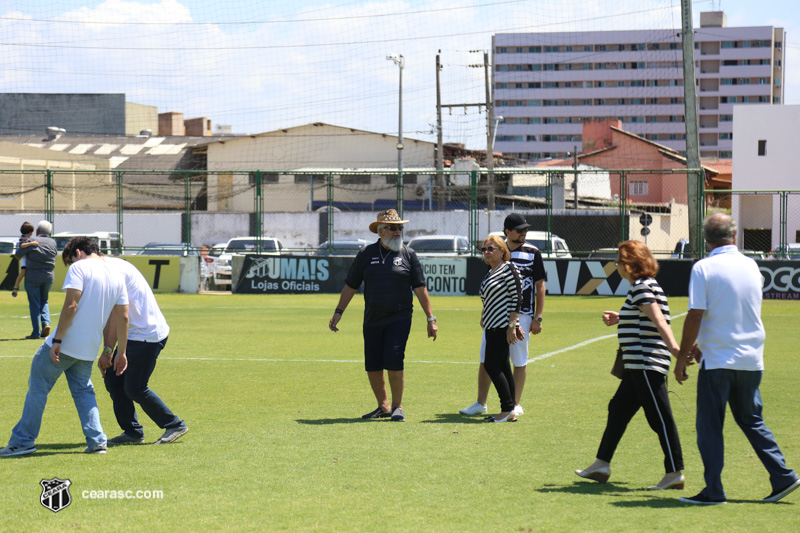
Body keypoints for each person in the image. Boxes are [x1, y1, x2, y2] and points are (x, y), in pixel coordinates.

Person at [676, 213, 800, 505]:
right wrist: (701, 345)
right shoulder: (752, 266)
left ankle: (714, 490)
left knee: (709, 426)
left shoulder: (703, 267)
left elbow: (696, 315)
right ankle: (782, 475)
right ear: (734, 236)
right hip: (751, 359)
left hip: (719, 361)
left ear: (705, 239)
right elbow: (735, 312)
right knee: (752, 420)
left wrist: (682, 355)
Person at [0, 237, 129, 457]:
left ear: (77, 253)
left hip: (65, 344)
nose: (70, 265)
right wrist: (120, 351)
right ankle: (97, 441)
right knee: (84, 392)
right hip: (88, 348)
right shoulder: (117, 275)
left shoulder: (80, 268)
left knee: (38, 390)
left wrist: (57, 340)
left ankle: (23, 442)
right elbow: (124, 317)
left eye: (69, 260)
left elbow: (71, 305)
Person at [575, 240, 684, 490]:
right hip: (638, 367)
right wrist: (621, 316)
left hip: (646, 364)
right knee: (618, 409)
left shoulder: (641, 288)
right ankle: (601, 464)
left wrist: (677, 350)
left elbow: (658, 320)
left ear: (628, 264)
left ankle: (674, 472)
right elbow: (646, 315)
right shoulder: (647, 287)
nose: (617, 266)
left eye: (618, 261)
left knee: (660, 418)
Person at [328, 209, 438, 422]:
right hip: (372, 319)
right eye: (392, 228)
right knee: (373, 364)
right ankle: (384, 406)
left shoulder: (408, 255)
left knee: (394, 359)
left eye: (400, 228)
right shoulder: (366, 254)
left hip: (400, 317)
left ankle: (398, 406)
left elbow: (420, 288)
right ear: (380, 231)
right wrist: (338, 312)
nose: (398, 231)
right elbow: (351, 285)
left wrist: (431, 318)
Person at [460, 213, 546, 417]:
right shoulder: (495, 252)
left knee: (518, 360)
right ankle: (481, 403)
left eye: (526, 230)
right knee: (486, 358)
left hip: (521, 316)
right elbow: (492, 289)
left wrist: (537, 317)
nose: (524, 233)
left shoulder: (533, 252)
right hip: (495, 317)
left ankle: (514, 404)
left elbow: (540, 286)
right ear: (508, 232)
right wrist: (485, 313)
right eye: (519, 230)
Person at [99, 255, 189, 445]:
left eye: (74, 262)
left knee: (135, 387)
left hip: (147, 335)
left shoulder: (111, 272)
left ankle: (174, 424)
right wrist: (109, 351)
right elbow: (113, 317)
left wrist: (113, 352)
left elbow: (119, 318)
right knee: (114, 380)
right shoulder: (109, 267)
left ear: (80, 254)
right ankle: (132, 432)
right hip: (135, 334)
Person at [477, 234, 523, 423]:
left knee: (491, 365)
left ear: (502, 251)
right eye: (484, 249)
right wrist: (483, 316)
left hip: (502, 325)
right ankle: (510, 409)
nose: (486, 252)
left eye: (490, 249)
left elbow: (517, 298)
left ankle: (506, 409)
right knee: (503, 365)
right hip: (491, 325)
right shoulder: (491, 271)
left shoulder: (509, 269)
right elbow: (490, 298)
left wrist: (513, 325)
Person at [14, 220, 58, 339]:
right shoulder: (53, 242)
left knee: (34, 304)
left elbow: (17, 256)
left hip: (33, 276)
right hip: (48, 276)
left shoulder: (32, 241)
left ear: (38, 231)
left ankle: (36, 332)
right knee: (44, 300)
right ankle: (46, 323)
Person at [11, 221, 39, 298]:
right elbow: (23, 245)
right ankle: (15, 287)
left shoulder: (28, 238)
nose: (32, 234)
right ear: (29, 232)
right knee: (23, 272)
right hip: (25, 257)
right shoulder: (23, 238)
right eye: (31, 232)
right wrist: (32, 243)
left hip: (29, 257)